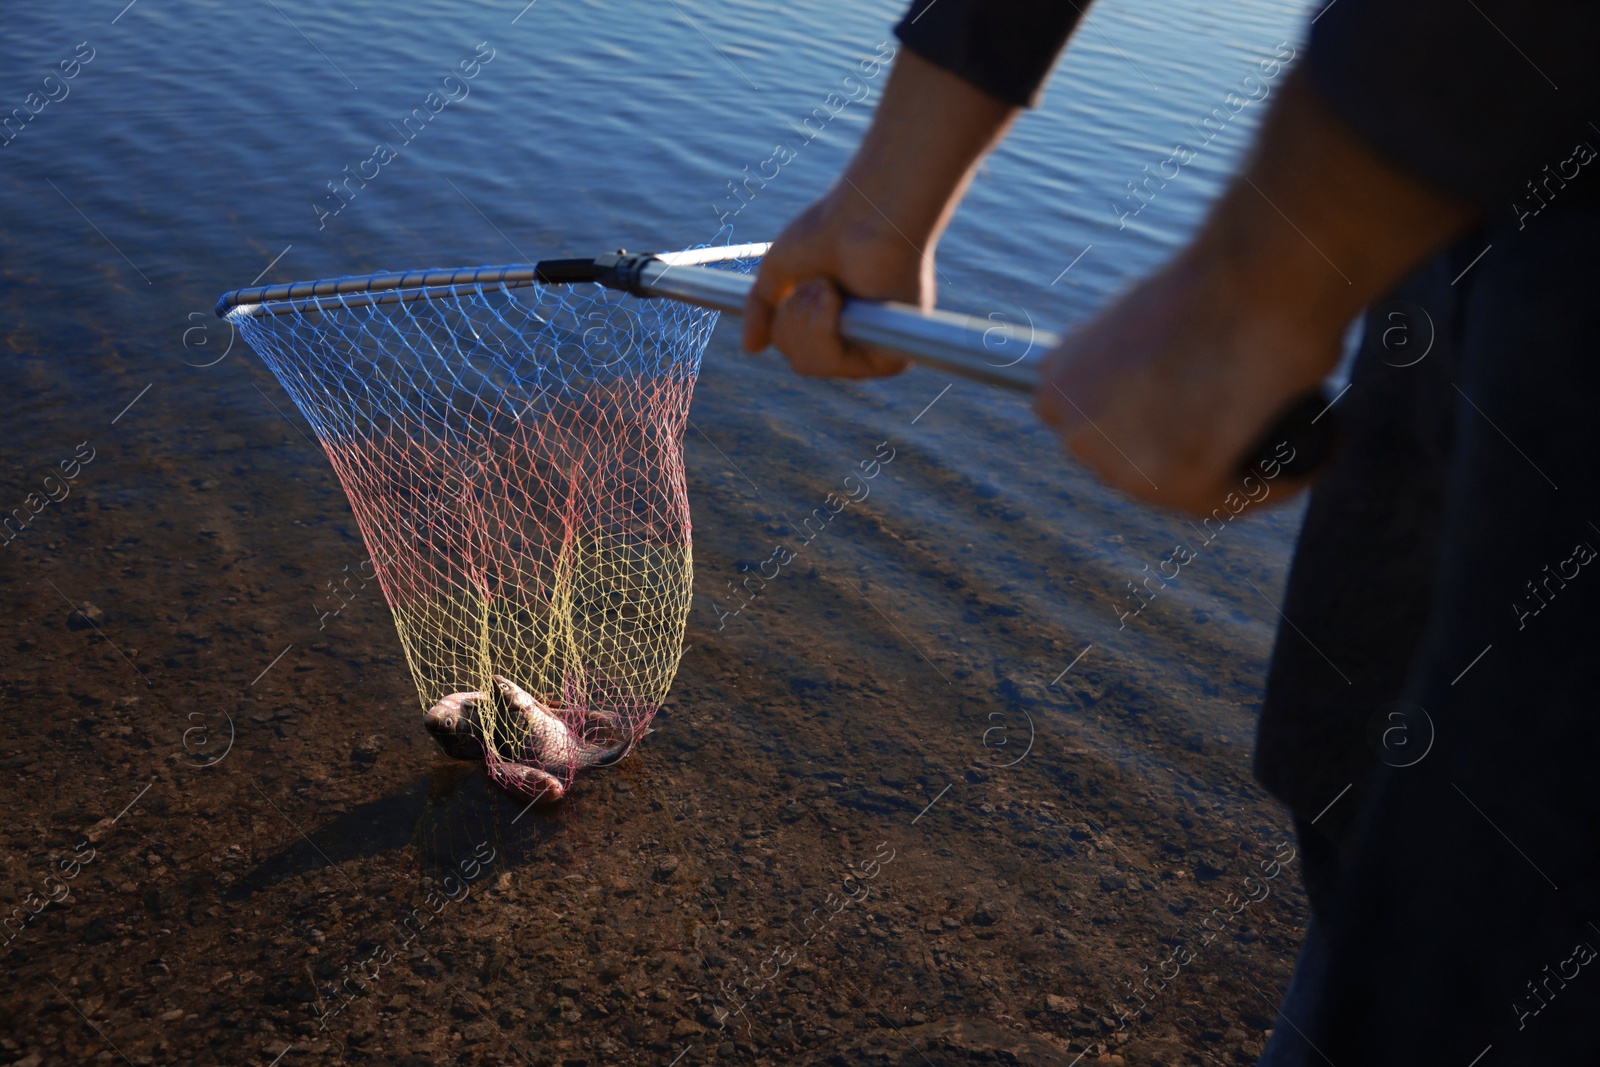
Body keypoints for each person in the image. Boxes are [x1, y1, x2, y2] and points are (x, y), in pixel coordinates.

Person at [741, 0, 1600, 1061]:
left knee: (1498, 916)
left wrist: (1251, 295)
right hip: (1460, 262)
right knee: (1357, 791)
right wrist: (884, 198)